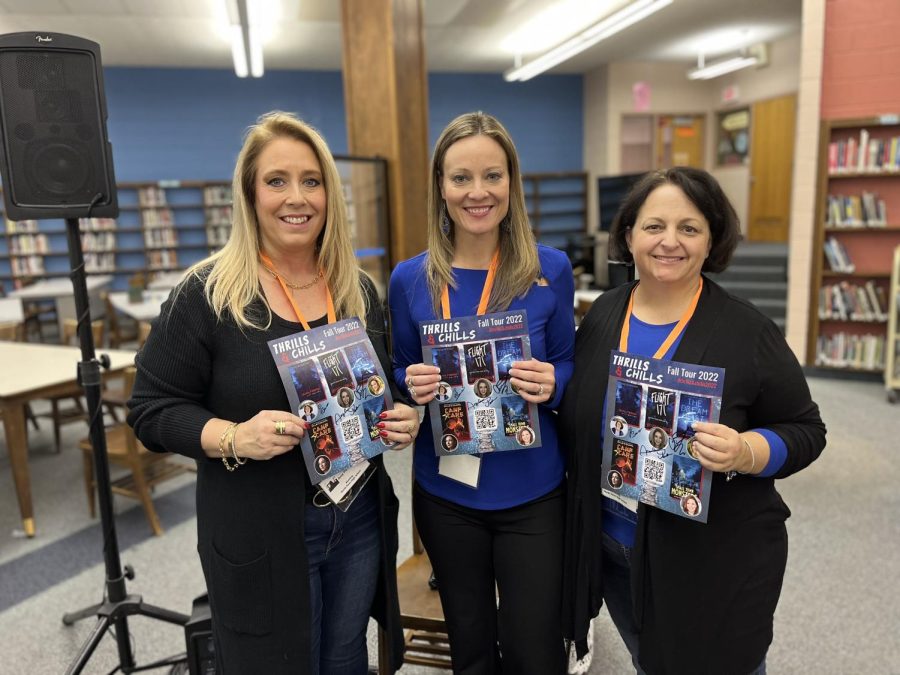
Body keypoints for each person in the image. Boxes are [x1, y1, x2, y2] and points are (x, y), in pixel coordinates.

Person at [127, 112, 420, 674]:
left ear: (330, 194)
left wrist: (399, 417)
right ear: (249, 193)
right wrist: (235, 436)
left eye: (311, 181)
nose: (297, 197)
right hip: (260, 528)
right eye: (276, 180)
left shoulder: (357, 289)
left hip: (357, 518)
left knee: (343, 658)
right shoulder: (206, 293)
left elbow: (382, 388)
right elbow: (150, 408)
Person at [560, 167, 826, 675]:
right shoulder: (602, 314)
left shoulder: (747, 330)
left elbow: (807, 430)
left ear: (712, 240)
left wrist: (746, 451)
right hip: (616, 547)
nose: (669, 242)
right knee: (651, 661)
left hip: (711, 559)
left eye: (689, 228)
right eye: (654, 225)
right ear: (630, 234)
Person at [389, 111, 575, 675]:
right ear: (440, 188)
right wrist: (410, 382)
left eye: (492, 176)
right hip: (447, 496)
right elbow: (399, 364)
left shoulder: (550, 269)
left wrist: (553, 382)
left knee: (535, 652)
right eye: (461, 177)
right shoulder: (409, 279)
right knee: (469, 649)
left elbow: (568, 362)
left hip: (534, 492)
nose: (477, 192)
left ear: (511, 183)